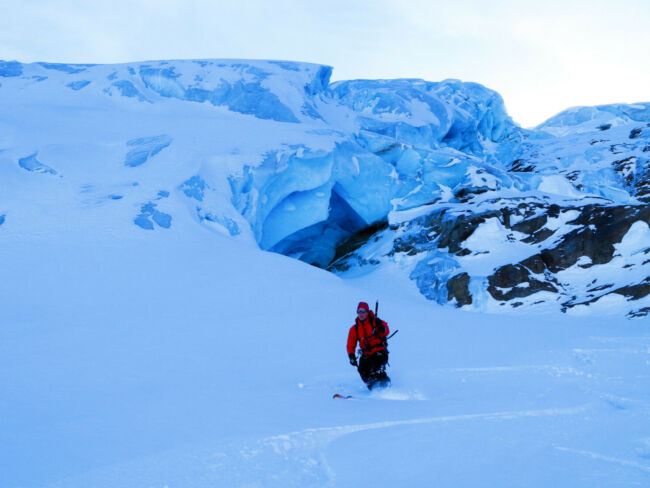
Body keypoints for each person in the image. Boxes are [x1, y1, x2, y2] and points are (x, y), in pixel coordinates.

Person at [347, 301, 391, 390]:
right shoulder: (354, 329)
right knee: (362, 370)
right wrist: (351, 356)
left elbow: (386, 331)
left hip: (380, 352)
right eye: (359, 311)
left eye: (363, 311)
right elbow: (350, 344)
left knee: (376, 368)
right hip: (366, 354)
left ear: (367, 312)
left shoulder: (376, 322)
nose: (361, 314)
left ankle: (387, 388)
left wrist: (381, 327)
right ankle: (374, 389)